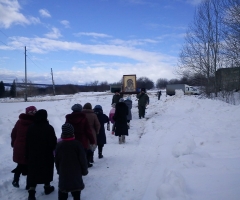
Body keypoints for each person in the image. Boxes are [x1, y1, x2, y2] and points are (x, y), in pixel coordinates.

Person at [26, 109, 57, 200]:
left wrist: (26, 153)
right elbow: (53, 142)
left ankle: (31, 193)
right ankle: (47, 187)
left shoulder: (31, 127)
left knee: (32, 172)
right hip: (46, 154)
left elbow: (27, 142)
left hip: (32, 154)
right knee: (46, 170)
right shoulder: (49, 127)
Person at [55, 123, 88, 200]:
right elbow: (83, 159)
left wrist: (59, 170)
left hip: (63, 172)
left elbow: (56, 160)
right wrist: (84, 171)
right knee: (76, 191)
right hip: (76, 172)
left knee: (63, 191)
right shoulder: (77, 144)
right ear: (73, 133)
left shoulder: (59, 145)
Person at [11, 106, 37, 189]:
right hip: (29, 148)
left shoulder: (19, 121)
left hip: (18, 146)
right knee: (30, 166)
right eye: (32, 112)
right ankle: (29, 185)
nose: (33, 113)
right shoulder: (35, 122)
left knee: (20, 164)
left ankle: (15, 180)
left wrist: (13, 143)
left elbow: (14, 133)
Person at [65, 104, 95, 168]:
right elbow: (88, 130)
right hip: (82, 140)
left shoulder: (69, 118)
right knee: (82, 155)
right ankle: (82, 169)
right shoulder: (83, 118)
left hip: (71, 139)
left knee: (73, 155)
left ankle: (74, 168)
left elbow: (66, 129)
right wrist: (92, 140)